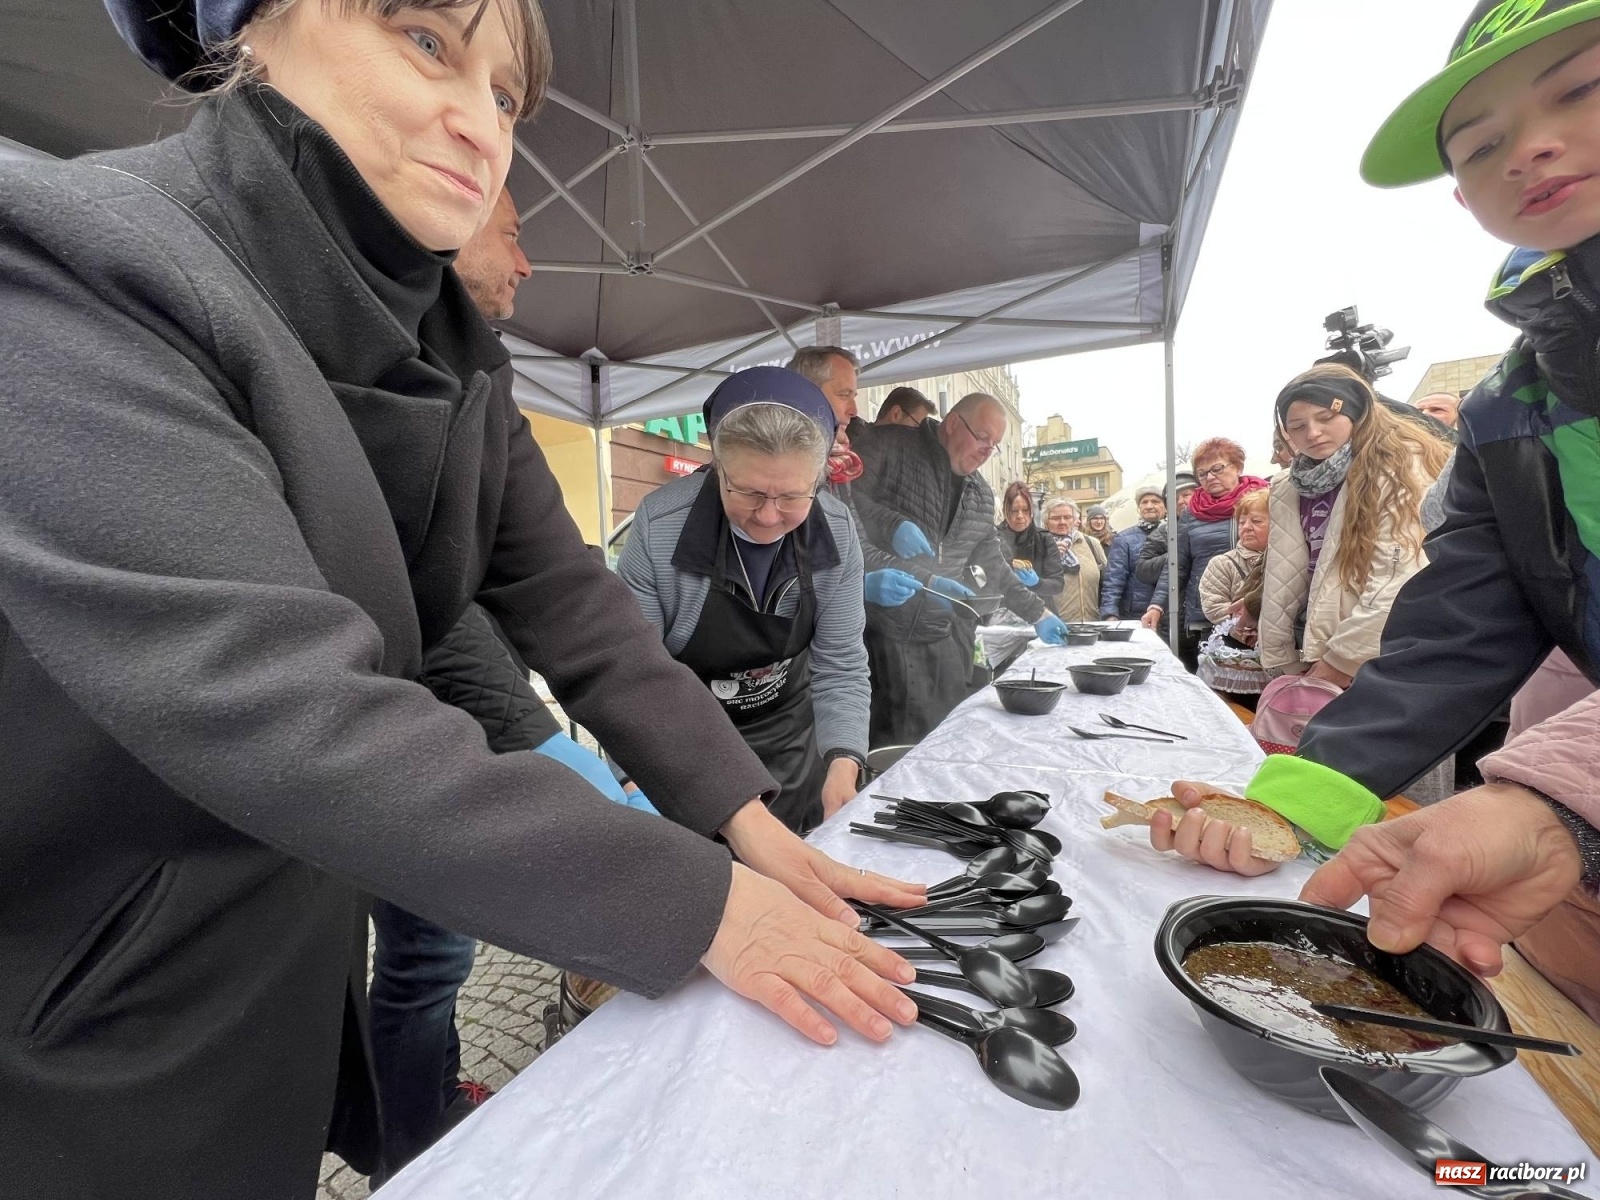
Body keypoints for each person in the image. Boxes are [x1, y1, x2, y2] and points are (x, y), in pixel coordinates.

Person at [0, 4, 926, 1194]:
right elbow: (277, 703)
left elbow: (574, 606)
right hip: (99, 999)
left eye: (504, 94)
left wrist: (745, 822)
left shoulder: (459, 357)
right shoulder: (84, 261)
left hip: (288, 950)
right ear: (245, 35)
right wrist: (696, 904)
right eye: (428, 40)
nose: (479, 126)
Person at [1146, 0, 1600, 975]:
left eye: (1582, 88)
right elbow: (1454, 636)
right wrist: (1290, 799)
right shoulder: (1504, 412)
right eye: (1482, 145)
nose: (1529, 150)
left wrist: (1560, 793)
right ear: (1461, 200)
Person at [618, 367, 869, 833]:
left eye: (792, 496)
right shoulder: (659, 526)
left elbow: (841, 664)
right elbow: (630, 673)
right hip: (683, 743)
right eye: (749, 492)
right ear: (717, 466)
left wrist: (843, 764)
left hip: (789, 746)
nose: (769, 517)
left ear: (817, 480)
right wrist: (635, 776)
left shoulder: (837, 532)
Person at [851, 393, 1069, 746]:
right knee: (890, 750)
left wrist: (1038, 612)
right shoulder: (888, 445)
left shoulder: (981, 494)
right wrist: (891, 524)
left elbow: (994, 564)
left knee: (945, 738)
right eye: (982, 437)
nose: (987, 450)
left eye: (994, 445)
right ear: (953, 423)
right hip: (879, 637)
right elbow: (847, 508)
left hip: (941, 639)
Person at [1255, 365, 1450, 695]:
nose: (1312, 433)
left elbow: (1400, 573)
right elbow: (1283, 573)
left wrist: (1342, 660)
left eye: (1325, 418)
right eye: (1297, 426)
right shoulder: (1288, 486)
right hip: (1316, 642)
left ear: (1356, 411)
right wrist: (1281, 654)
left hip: (1383, 648)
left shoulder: (1401, 465)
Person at [1138, 438, 1268, 667]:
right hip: (1207, 613)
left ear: (1237, 467)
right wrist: (1157, 606)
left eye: (1217, 469)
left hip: (1262, 608)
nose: (1210, 477)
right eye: (1202, 473)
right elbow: (1177, 564)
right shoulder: (1192, 513)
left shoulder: (1263, 499)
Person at [1194, 488, 1269, 705]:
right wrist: (1246, 627)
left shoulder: (1288, 562)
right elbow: (1214, 607)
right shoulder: (1223, 563)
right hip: (1237, 657)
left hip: (1276, 658)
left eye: (1256, 521)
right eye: (1242, 522)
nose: (1246, 527)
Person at [786, 345, 864, 493]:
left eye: (853, 397)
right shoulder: (778, 461)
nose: (854, 411)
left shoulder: (841, 460)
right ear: (806, 395)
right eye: (844, 395)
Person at [997, 482, 1065, 614]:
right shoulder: (994, 538)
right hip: (1003, 614)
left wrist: (1037, 583)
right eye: (1014, 511)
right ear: (1005, 510)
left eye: (1025, 510)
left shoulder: (1044, 539)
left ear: (1032, 511)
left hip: (1042, 612)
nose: (1020, 516)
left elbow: (1057, 584)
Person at [1100, 485, 1165, 620]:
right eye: (1144, 502)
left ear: (1165, 506)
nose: (1149, 506)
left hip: (1170, 613)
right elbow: (1113, 579)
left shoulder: (1176, 535)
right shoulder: (1124, 539)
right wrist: (1110, 613)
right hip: (1135, 614)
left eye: (1155, 501)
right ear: (1138, 508)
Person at [1044, 498, 1106, 624]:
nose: (1062, 522)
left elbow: (1109, 582)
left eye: (1067, 517)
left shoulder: (1091, 543)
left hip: (1091, 624)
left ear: (1075, 520)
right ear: (1046, 522)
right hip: (1053, 625)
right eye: (1056, 518)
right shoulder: (1038, 546)